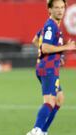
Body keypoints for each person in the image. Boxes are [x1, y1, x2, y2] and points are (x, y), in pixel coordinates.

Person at [27, 0, 76, 135]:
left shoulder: (53, 25)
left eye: (62, 7)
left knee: (59, 99)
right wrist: (65, 47)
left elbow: (36, 40)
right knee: (50, 100)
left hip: (51, 66)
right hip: (47, 68)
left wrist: (57, 56)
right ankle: (36, 130)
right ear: (49, 10)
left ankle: (43, 130)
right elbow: (45, 47)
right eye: (56, 8)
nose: (60, 10)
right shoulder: (50, 26)